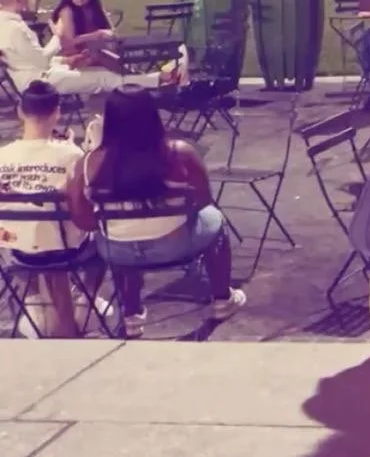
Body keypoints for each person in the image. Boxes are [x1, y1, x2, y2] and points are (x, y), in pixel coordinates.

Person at [65, 89, 245, 337]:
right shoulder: (180, 152)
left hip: (119, 251)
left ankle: (132, 315)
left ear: (110, 120)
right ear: (152, 115)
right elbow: (204, 201)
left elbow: (84, 222)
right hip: (178, 244)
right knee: (216, 220)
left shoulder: (87, 163)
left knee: (118, 238)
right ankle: (222, 300)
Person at [0, 81, 97, 338]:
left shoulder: (3, 155)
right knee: (103, 243)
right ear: (57, 112)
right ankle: (83, 306)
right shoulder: (71, 155)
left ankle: (33, 301)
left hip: (14, 245)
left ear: (20, 111)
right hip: (64, 249)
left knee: (29, 234)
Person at [0, 0, 182, 97]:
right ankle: (159, 79)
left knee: (104, 72)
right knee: (103, 77)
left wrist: (66, 60)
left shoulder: (7, 23)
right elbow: (40, 62)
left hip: (40, 74)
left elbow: (32, 60)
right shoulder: (14, 27)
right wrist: (58, 36)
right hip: (39, 82)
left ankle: (155, 80)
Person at [49, 0, 119, 70]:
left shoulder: (95, 9)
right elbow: (70, 42)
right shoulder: (67, 11)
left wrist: (107, 35)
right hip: (74, 58)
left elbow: (112, 33)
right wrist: (97, 35)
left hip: (94, 53)